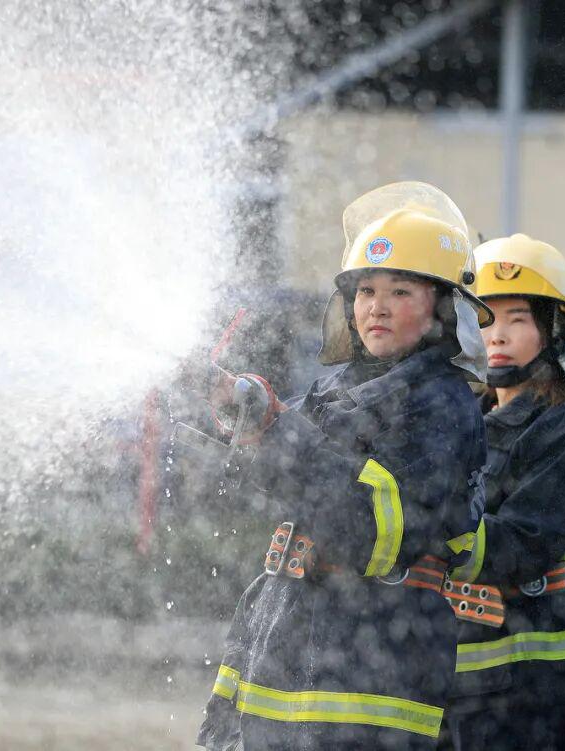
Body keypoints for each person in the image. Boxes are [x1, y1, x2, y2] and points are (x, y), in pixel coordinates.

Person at [196, 182, 491, 750]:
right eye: (366, 290)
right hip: (286, 645)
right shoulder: (336, 391)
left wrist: (271, 427)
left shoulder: (443, 406)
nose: (376, 306)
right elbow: (267, 464)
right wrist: (227, 405)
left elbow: (373, 530)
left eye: (400, 290)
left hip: (370, 674)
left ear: (442, 310)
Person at [436, 234, 565, 751]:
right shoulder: (466, 421)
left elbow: (522, 547)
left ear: (554, 332)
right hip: (461, 669)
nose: (498, 335)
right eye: (485, 319)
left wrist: (424, 526)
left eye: (517, 319)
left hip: (525, 681)